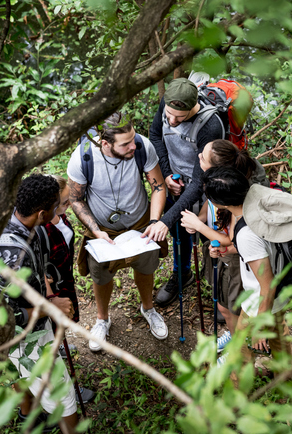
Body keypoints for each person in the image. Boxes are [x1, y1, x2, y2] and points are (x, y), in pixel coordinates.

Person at [0, 174, 116, 434]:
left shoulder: (23, 224)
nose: (58, 213)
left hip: (34, 314)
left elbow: (34, 270)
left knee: (22, 376)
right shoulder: (12, 255)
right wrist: (49, 308)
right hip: (20, 334)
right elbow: (5, 315)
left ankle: (29, 416)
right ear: (41, 213)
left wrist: (44, 285)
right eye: (56, 207)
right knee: (63, 396)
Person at [68, 113, 169, 349]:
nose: (133, 146)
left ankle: (148, 308)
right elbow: (75, 199)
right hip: (102, 228)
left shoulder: (142, 146)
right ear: (105, 144)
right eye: (125, 144)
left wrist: (154, 221)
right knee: (101, 275)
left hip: (141, 222)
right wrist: (94, 230)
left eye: (133, 139)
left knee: (145, 267)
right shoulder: (82, 158)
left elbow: (158, 187)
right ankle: (102, 320)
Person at [201, 166, 292, 366]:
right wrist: (228, 251)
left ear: (220, 203)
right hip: (280, 293)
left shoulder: (247, 234)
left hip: (260, 302)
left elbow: (267, 285)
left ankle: (238, 391)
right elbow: (262, 248)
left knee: (241, 356)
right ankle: (286, 379)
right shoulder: (257, 202)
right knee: (280, 339)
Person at [179, 140, 267, 355]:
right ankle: (233, 332)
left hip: (238, 262)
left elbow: (234, 239)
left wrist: (199, 226)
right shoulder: (217, 185)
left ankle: (237, 348)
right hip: (219, 251)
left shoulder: (239, 199)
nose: (198, 156)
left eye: (203, 158)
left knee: (234, 308)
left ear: (219, 171)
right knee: (223, 306)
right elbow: (209, 205)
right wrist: (200, 220)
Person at [145, 78, 226, 307]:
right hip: (176, 179)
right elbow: (155, 135)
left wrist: (164, 221)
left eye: (179, 118)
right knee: (180, 235)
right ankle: (182, 275)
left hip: (206, 185)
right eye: (169, 114)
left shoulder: (210, 125)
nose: (171, 121)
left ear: (192, 107)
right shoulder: (168, 102)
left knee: (212, 237)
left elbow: (201, 181)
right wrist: (168, 174)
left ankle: (219, 290)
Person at [40, 175, 95, 403]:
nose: (68, 206)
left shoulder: (60, 218)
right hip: (51, 293)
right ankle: (67, 387)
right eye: (63, 203)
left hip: (65, 282)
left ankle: (60, 344)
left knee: (62, 327)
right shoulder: (39, 229)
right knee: (50, 333)